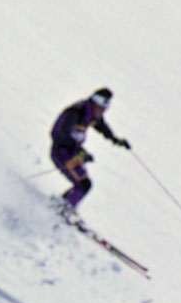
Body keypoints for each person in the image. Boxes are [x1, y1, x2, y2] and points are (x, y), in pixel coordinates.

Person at [49, 88, 128, 219]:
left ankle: (62, 206)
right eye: (102, 107)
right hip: (62, 152)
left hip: (72, 153)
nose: (102, 111)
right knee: (83, 185)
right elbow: (58, 134)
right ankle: (64, 211)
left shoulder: (90, 113)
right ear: (95, 103)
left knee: (84, 184)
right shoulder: (75, 112)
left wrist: (114, 139)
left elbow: (101, 125)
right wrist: (80, 152)